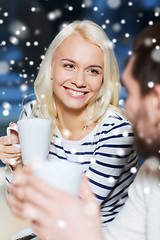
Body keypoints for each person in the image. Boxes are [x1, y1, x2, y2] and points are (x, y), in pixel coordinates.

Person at [7, 20, 160, 240]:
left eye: (93, 71)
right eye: (69, 65)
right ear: (51, 68)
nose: (79, 81)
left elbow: (66, 213)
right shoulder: (33, 113)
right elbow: (24, 201)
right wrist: (16, 164)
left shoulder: (118, 131)